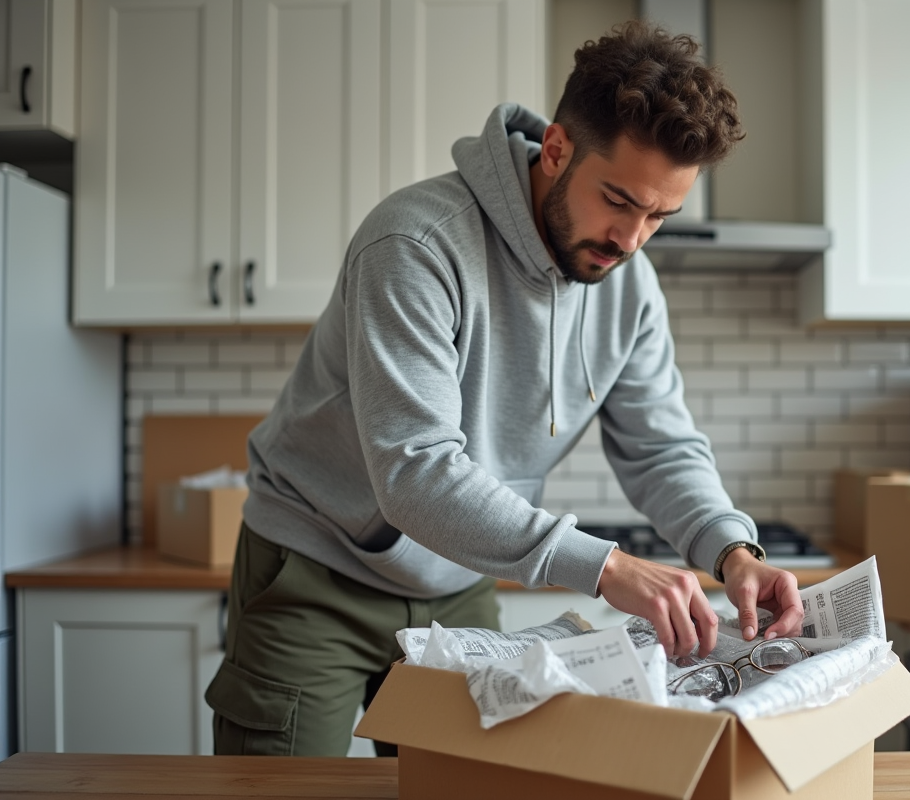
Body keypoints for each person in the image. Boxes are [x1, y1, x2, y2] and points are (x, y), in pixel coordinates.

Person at [205, 20, 804, 757]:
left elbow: (661, 447)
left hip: (457, 581)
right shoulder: (415, 245)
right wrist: (607, 567)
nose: (632, 239)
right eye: (618, 199)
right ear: (556, 149)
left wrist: (732, 551)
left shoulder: (630, 284)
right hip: (313, 571)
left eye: (659, 215)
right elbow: (415, 471)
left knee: (468, 783)